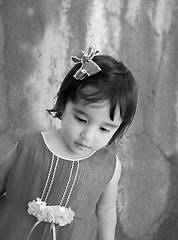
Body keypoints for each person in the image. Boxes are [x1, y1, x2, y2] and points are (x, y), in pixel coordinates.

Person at [0, 46, 138, 240]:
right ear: (64, 103)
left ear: (118, 128)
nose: (87, 136)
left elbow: (106, 210)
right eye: (81, 119)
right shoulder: (30, 145)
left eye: (104, 129)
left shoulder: (110, 166)